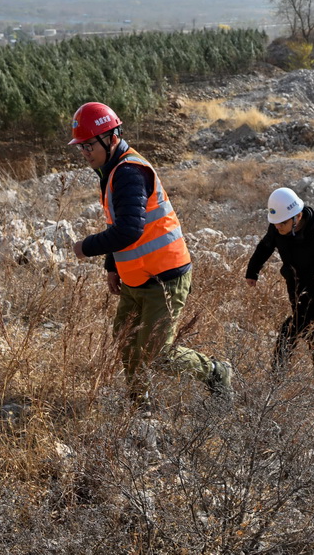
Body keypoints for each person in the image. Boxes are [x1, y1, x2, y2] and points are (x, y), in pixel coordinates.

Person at [69, 102, 232, 404]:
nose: (85, 152)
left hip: (164, 278)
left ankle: (216, 371)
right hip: (136, 278)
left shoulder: (129, 172)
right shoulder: (111, 170)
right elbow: (117, 222)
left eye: (89, 144)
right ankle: (137, 403)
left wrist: (87, 247)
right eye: (81, 147)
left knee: (157, 354)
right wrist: (111, 266)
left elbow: (129, 230)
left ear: (111, 137)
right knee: (126, 339)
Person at [245, 188, 314, 381]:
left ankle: (276, 379)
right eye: (275, 223)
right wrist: (252, 271)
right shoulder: (278, 228)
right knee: (312, 330)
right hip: (295, 285)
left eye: (283, 223)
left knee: (291, 328)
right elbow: (264, 247)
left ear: (298, 216)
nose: (278, 227)